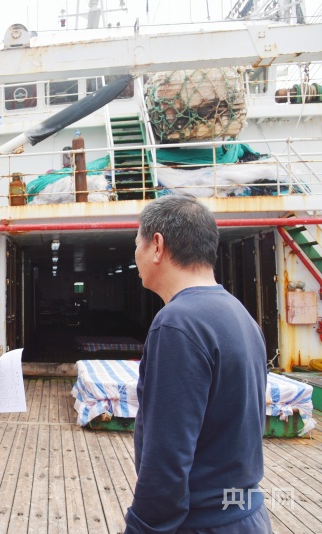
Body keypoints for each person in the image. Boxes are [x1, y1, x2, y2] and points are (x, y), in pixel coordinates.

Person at [125, 195, 270, 533]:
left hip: (201, 521)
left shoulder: (177, 323)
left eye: (136, 244)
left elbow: (167, 459)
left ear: (157, 245)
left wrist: (141, 527)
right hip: (244, 515)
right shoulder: (240, 315)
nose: (136, 255)